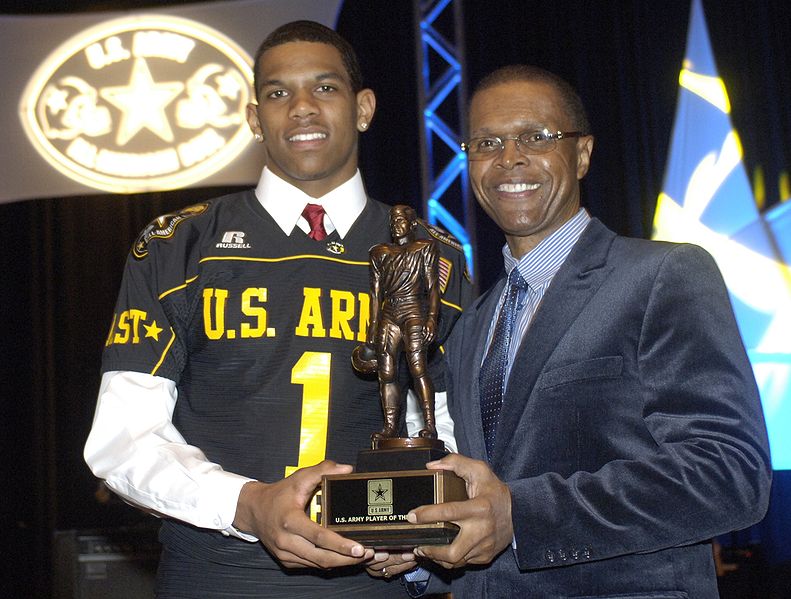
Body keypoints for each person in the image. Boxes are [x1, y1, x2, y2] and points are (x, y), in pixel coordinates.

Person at [83, 21, 471, 598]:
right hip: (216, 577)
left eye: (325, 88)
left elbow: (442, 422)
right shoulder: (177, 246)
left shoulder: (432, 252)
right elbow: (122, 438)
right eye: (277, 93)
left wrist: (420, 535)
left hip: (375, 581)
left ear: (364, 108)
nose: (302, 108)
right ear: (253, 118)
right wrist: (246, 504)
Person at [402, 65, 772, 597]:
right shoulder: (471, 325)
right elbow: (482, 503)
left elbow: (728, 474)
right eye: (487, 142)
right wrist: (418, 554)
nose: (510, 158)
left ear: (582, 153)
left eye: (536, 136)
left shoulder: (663, 276)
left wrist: (524, 516)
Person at [354, 205, 441, 441]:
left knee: (417, 368)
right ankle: (390, 427)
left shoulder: (425, 247)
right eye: (393, 220)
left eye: (401, 219)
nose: (396, 224)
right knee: (386, 372)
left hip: (414, 309)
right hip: (389, 312)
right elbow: (375, 295)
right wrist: (372, 330)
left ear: (413, 224)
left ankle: (430, 425)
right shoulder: (379, 253)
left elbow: (433, 288)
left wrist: (432, 319)